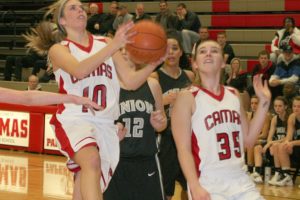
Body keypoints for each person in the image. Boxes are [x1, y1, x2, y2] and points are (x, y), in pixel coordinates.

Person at [24, 0, 165, 199]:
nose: (80, 9)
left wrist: (154, 63)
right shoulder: (60, 49)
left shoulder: (105, 44)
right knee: (91, 160)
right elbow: (80, 71)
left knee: (85, 177)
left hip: (105, 123)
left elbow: (131, 81)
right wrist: (114, 44)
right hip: (75, 118)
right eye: (73, 8)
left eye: (81, 7)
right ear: (63, 20)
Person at [171, 40, 271, 200]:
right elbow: (183, 150)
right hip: (208, 182)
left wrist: (264, 103)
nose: (209, 53)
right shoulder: (187, 97)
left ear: (223, 62)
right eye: (203, 51)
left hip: (241, 180)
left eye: (214, 51)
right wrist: (195, 186)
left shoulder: (234, 94)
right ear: (194, 63)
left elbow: (249, 140)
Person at [104, 48, 167, 200]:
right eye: (120, 49)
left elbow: (162, 123)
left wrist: (159, 123)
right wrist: (112, 131)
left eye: (128, 49)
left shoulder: (152, 84)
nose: (124, 52)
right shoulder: (107, 86)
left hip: (146, 160)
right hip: (115, 161)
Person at [151, 31, 195, 200]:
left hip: (188, 139)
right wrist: (162, 100)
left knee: (190, 188)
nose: (171, 53)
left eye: (175, 48)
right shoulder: (154, 77)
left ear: (181, 52)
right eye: (167, 49)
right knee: (165, 192)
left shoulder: (189, 76)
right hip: (166, 141)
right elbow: (145, 107)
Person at [251, 96, 289, 184]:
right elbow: (269, 137)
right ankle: (258, 174)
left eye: (280, 106)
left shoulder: (289, 118)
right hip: (274, 143)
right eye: (275, 106)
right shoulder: (275, 119)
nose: (277, 108)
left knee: (275, 146)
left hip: (284, 144)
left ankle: (278, 173)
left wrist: (270, 143)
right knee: (257, 148)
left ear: (285, 107)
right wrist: (269, 143)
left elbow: (288, 138)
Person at [271, 96, 300, 186]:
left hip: (297, 144)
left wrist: (291, 143)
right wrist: (286, 143)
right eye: (294, 106)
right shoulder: (292, 117)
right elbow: (289, 137)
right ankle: (286, 175)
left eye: (299, 106)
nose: (296, 108)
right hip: (297, 145)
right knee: (280, 146)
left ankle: (284, 175)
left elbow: (292, 141)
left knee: (284, 145)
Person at [245, 95, 271, 177]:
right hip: (253, 140)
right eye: (252, 103)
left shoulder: (265, 116)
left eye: (256, 103)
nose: (253, 105)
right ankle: (248, 169)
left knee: (250, 143)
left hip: (263, 140)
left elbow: (264, 135)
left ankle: (250, 169)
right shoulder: (249, 115)